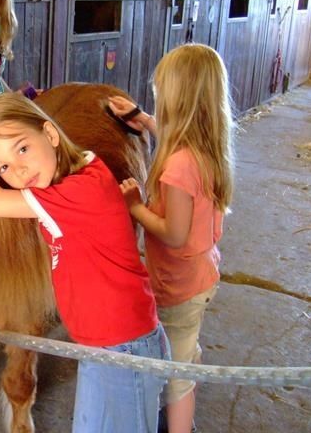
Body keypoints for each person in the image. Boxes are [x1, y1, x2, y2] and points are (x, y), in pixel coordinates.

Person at [0, 93, 170, 433]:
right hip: (104, 342)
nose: (19, 170)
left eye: (22, 149)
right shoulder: (83, 167)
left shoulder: (77, 194)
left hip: (124, 349)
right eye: (2, 167)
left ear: (50, 133)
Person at [108, 43, 234, 433]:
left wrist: (134, 206)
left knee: (176, 379)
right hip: (200, 275)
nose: (157, 100)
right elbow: (172, 135)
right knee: (184, 352)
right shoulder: (206, 146)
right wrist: (144, 119)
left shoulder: (178, 166)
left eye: (161, 94)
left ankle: (180, 426)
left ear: (177, 101)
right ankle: (188, 364)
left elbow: (174, 234)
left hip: (179, 286)